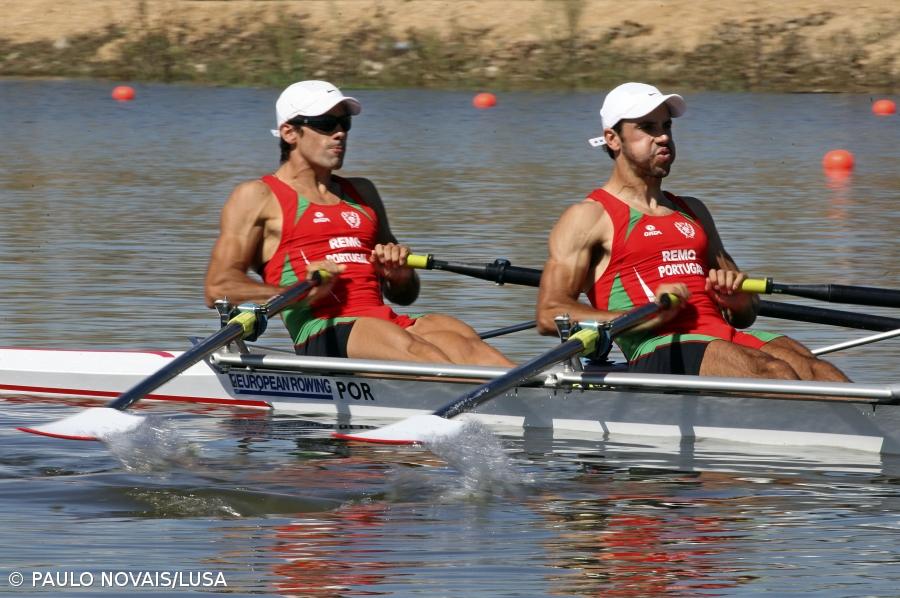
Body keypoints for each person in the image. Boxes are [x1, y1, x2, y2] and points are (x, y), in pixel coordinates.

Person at [535, 82, 848, 381]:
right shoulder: (588, 217)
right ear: (613, 139)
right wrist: (646, 315)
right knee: (774, 373)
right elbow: (550, 313)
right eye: (647, 127)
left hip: (723, 335)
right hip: (659, 345)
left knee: (818, 371)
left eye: (666, 126)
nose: (662, 137)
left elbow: (747, 314)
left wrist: (737, 299)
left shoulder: (693, 211)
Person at [204, 80, 513, 367]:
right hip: (324, 328)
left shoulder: (362, 193)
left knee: (463, 339)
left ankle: (543, 401)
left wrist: (400, 276)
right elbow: (218, 287)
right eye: (325, 125)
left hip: (385, 321)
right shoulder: (257, 196)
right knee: (423, 354)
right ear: (289, 133)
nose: (339, 133)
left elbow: (405, 296)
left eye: (345, 124)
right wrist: (296, 291)